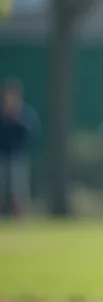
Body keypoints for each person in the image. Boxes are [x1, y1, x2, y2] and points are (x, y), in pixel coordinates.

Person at [0, 78, 40, 218]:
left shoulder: (24, 112)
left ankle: (19, 217)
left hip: (18, 155)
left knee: (18, 189)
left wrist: (16, 119)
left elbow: (31, 132)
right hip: (2, 154)